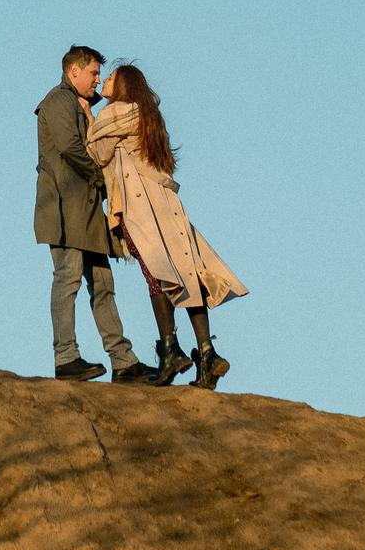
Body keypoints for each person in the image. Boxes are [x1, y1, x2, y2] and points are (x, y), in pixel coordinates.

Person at [87, 62, 246, 388]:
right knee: (188, 274)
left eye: (111, 77)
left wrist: (88, 117)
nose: (104, 80)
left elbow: (97, 152)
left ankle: (170, 350)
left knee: (156, 272)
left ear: (123, 86)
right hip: (169, 207)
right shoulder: (149, 117)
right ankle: (207, 353)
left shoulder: (116, 112)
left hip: (141, 206)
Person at [35, 45, 151, 383]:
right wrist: (102, 177)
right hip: (63, 208)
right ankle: (66, 357)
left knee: (103, 286)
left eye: (100, 75)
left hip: (86, 210)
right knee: (67, 279)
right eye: (93, 73)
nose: (98, 80)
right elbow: (72, 148)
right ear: (74, 71)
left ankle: (123, 361)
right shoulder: (57, 102)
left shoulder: (81, 105)